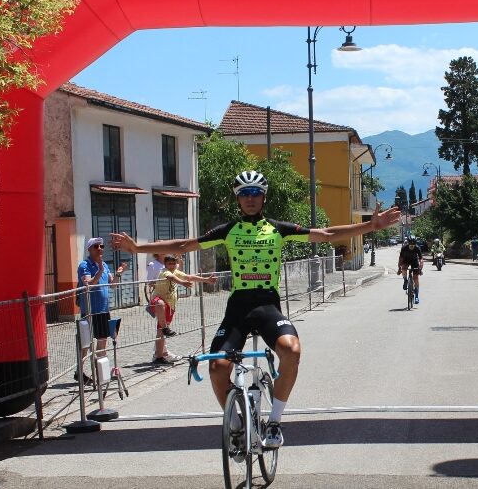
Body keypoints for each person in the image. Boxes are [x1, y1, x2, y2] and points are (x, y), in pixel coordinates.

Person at [111, 170, 400, 449]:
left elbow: (325, 233)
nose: (250, 198)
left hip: (267, 306)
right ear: (237, 199)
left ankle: (274, 422)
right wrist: (138, 249)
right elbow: (185, 245)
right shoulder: (228, 230)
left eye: (255, 193)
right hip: (238, 307)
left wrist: (370, 227)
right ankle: (236, 423)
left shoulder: (277, 229)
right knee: (217, 367)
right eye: (244, 194)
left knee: (292, 351)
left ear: (263, 198)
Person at [77, 237, 127, 385]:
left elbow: (112, 285)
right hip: (91, 311)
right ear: (89, 249)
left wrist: (118, 274)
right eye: (96, 246)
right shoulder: (84, 265)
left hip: (104, 310)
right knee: (86, 345)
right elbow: (89, 284)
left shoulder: (104, 264)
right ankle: (80, 372)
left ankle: (101, 373)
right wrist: (99, 270)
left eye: (102, 246)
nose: (100, 249)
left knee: (102, 341)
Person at [150, 255, 217, 364]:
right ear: (165, 264)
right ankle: (165, 329)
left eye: (173, 264)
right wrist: (182, 283)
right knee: (159, 303)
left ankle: (159, 356)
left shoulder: (176, 271)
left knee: (160, 331)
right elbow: (171, 278)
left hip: (171, 304)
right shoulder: (165, 271)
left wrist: (206, 280)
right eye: (169, 264)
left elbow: (189, 277)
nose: (171, 266)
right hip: (159, 301)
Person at [397, 235, 423, 304]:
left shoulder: (417, 248)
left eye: (413, 244)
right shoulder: (404, 248)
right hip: (406, 260)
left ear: (415, 244)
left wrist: (420, 267)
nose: (412, 246)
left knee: (416, 278)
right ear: (408, 243)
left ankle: (417, 296)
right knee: (404, 268)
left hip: (414, 261)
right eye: (410, 244)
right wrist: (399, 267)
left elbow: (421, 259)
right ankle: (405, 280)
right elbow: (400, 259)